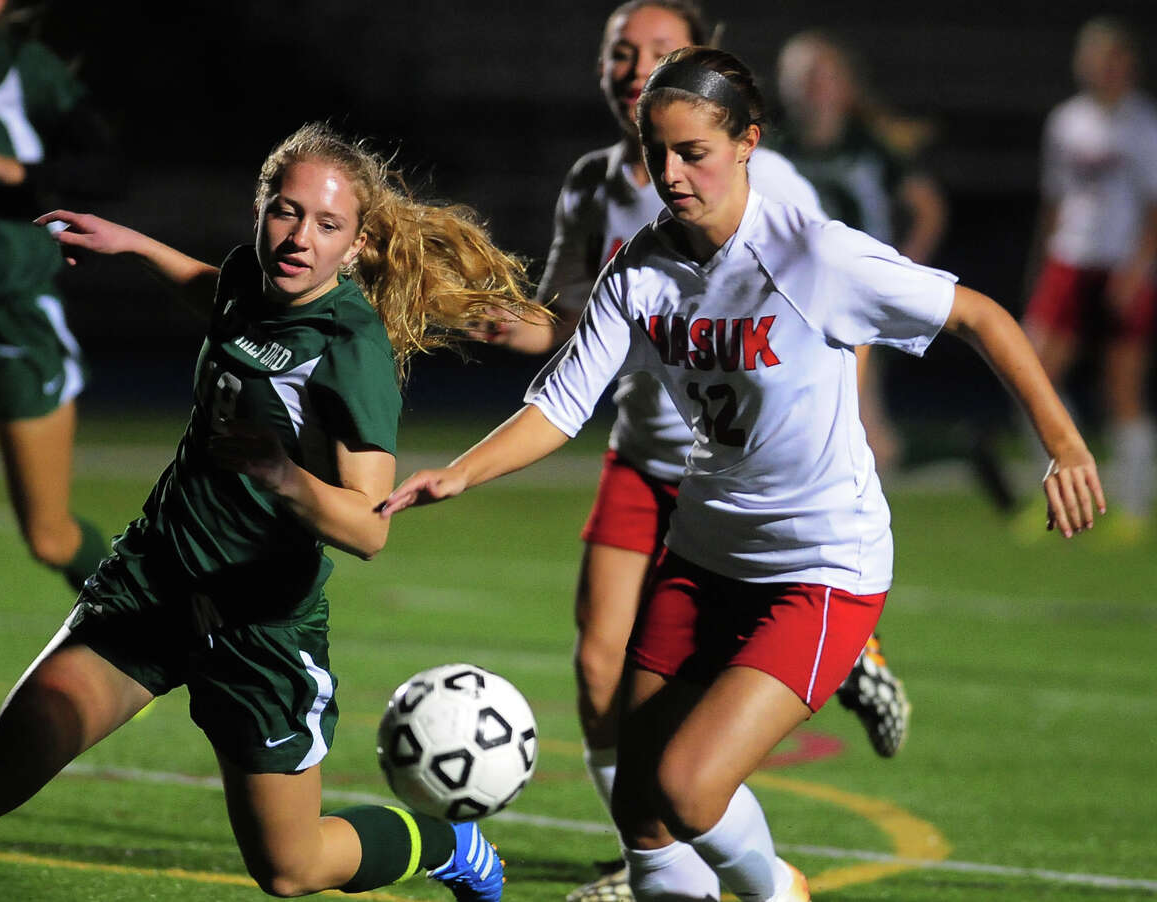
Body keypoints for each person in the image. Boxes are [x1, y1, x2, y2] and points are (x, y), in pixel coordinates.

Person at [382, 47, 1104, 902]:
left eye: (696, 152)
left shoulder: (815, 257)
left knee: (688, 789)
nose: (674, 172)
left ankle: (776, 892)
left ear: (748, 143)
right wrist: (460, 475)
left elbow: (980, 316)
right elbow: (562, 404)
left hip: (821, 568)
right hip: (704, 555)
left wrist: (1065, 443)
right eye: (659, 153)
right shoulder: (642, 269)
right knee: (644, 812)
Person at [0, 121, 548, 901]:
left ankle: (447, 843)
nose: (300, 236)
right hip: (155, 584)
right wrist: (135, 245)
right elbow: (218, 292)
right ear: (261, 206)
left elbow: (370, 527)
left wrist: (285, 478)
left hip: (258, 629)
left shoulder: (351, 345)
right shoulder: (249, 276)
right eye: (286, 210)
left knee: (290, 868)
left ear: (357, 244)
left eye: (327, 224)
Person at [483, 7, 906, 899]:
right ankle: (645, 859)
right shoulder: (593, 185)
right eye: (619, 53)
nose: (636, 67)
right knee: (600, 665)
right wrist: (472, 312)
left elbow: (836, 301)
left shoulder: (772, 180)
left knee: (696, 725)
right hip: (644, 448)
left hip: (745, 474)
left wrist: (853, 423)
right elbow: (564, 327)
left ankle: (835, 652)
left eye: (658, 52)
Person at [0, 0, 122, 592]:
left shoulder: (25, 68)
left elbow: (107, 170)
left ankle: (134, 635)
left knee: (50, 536)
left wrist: (14, 172)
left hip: (14, 312)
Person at [773, 30, 948, 479]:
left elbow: (928, 210)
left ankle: (955, 451)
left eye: (820, 76)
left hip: (853, 299)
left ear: (843, 85)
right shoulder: (774, 148)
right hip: (792, 300)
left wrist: (901, 274)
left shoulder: (868, 148)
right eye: (802, 76)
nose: (811, 87)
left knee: (863, 428)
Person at [1021, 16, 1157, 541]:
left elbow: (1152, 208)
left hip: (1123, 265)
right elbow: (1055, 203)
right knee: (1035, 379)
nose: (1105, 67)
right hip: (1070, 261)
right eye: (1096, 56)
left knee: (1122, 386)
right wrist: (1041, 270)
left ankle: (1134, 505)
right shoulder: (1066, 122)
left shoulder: (1143, 123)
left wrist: (1136, 271)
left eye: (1114, 56)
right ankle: (1058, 494)